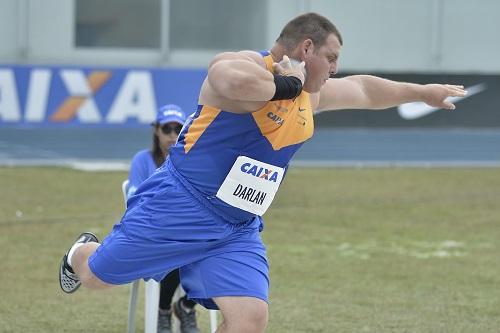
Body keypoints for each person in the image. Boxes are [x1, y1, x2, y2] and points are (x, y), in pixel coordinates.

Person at [59, 12, 467, 333]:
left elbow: (364, 89)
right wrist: (287, 83)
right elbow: (228, 79)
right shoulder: (246, 65)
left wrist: (421, 92)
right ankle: (79, 251)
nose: (335, 69)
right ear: (306, 48)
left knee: (250, 319)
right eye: (331, 57)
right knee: (97, 277)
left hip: (236, 227)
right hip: (178, 206)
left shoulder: (312, 94)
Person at [127, 104, 199, 333]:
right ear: (156, 130)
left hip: (185, 232)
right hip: (150, 233)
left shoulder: (191, 160)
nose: (172, 135)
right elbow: (134, 198)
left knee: (214, 248)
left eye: (178, 129)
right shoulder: (142, 160)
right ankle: (165, 310)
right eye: (167, 129)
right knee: (184, 247)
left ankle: (186, 305)